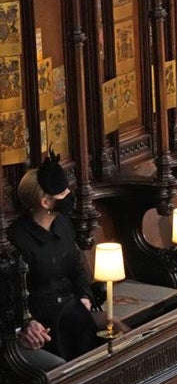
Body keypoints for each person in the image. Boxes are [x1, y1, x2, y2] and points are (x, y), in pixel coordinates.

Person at [7, 155, 100, 361]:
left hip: (73, 313)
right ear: (45, 202)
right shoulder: (16, 238)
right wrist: (27, 323)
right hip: (44, 327)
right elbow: (12, 294)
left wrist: (85, 297)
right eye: (63, 192)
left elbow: (77, 268)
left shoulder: (63, 224)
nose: (69, 195)